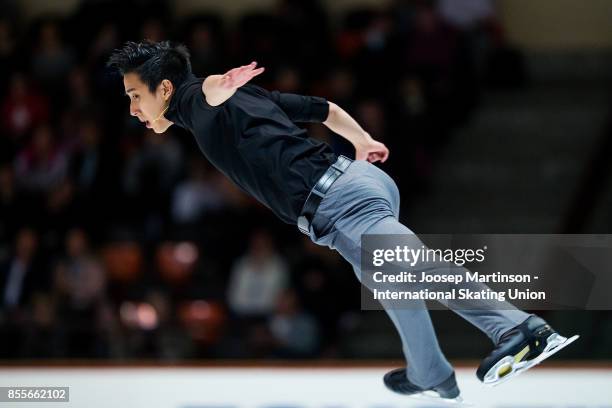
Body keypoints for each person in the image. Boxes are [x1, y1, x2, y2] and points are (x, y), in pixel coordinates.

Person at [107, 40, 577, 403]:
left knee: (412, 265)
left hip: (340, 201)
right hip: (353, 185)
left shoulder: (196, 100)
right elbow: (324, 110)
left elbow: (207, 93)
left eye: (134, 96)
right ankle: (429, 373)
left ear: (164, 89)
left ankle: (517, 329)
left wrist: (218, 84)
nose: (132, 110)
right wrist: (364, 140)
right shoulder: (247, 100)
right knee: (393, 283)